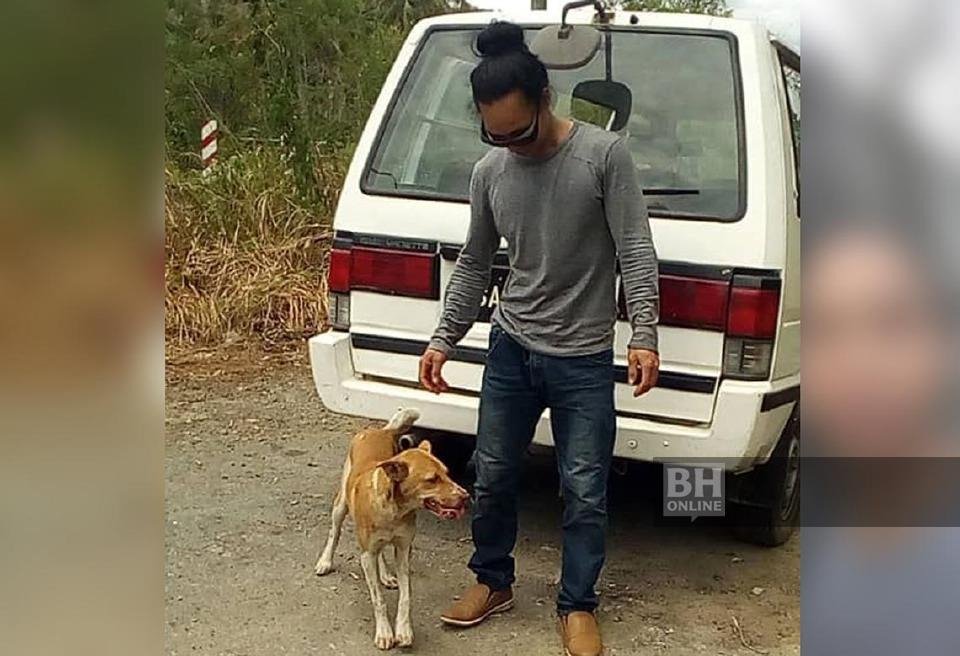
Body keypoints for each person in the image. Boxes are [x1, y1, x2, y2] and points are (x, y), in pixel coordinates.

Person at [417, 21, 660, 656]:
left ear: (545, 100)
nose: (510, 147)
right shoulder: (490, 170)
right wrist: (445, 337)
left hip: (580, 357)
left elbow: (635, 248)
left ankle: (577, 604)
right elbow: (475, 261)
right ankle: (491, 580)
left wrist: (645, 332)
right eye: (494, 135)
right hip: (511, 348)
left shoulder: (604, 156)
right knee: (492, 474)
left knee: (583, 488)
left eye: (519, 133)